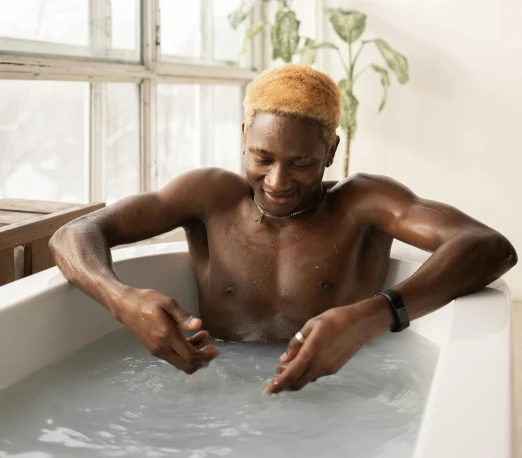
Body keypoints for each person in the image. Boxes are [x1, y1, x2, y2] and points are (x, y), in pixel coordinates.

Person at [50, 65, 517, 394]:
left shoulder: (364, 203)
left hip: (344, 393)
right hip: (213, 392)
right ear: (243, 138)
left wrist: (373, 316)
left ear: (331, 151)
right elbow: (74, 235)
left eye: (301, 163)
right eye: (262, 158)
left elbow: (488, 247)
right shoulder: (208, 195)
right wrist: (123, 301)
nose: (276, 181)